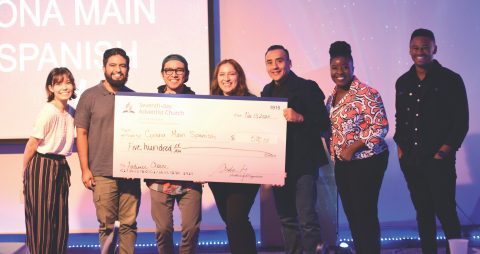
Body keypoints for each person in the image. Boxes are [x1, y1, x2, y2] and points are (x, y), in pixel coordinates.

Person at [394, 28, 469, 254]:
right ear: (409, 50)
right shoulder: (403, 82)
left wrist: (444, 152)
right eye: (416, 48)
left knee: (446, 211)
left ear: (434, 48)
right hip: (412, 160)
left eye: (425, 47)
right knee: (423, 213)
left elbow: (461, 121)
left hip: (439, 160)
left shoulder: (451, 80)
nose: (420, 52)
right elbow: (401, 118)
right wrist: (401, 150)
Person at [261, 45, 330, 254]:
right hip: (278, 165)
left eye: (280, 61)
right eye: (270, 62)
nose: (275, 66)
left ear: (290, 63)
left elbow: (323, 123)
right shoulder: (266, 91)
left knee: (307, 218)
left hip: (303, 164)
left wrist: (300, 117)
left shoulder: (308, 87)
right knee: (287, 218)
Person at [75, 48, 141, 254]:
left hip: (130, 173)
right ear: (104, 68)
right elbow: (82, 134)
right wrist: (85, 169)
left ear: (128, 70)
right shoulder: (89, 96)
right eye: (113, 65)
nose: (118, 70)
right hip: (101, 172)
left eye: (122, 66)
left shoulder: (135, 98)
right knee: (107, 225)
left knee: (129, 224)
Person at [325, 41, 389, 254]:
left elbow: (380, 127)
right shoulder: (332, 96)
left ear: (352, 66)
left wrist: (353, 148)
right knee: (352, 213)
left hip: (368, 161)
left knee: (365, 213)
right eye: (335, 67)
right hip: (344, 164)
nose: (340, 72)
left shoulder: (367, 93)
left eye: (344, 66)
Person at [146, 54, 202, 254]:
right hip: (159, 179)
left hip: (190, 180)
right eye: (169, 70)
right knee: (163, 230)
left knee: (191, 228)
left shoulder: (199, 104)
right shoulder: (149, 105)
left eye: (179, 70)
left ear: (186, 75)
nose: (174, 74)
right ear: (162, 75)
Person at [23, 67, 77, 254]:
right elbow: (32, 144)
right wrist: (25, 176)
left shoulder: (71, 111)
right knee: (42, 219)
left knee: (60, 220)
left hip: (60, 165)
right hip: (42, 165)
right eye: (59, 83)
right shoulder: (48, 111)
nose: (65, 87)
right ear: (50, 88)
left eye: (68, 82)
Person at [209, 59, 260, 254]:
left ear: (239, 77)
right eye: (222, 74)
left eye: (231, 74)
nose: (226, 78)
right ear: (216, 79)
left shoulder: (254, 104)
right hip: (218, 175)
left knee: (236, 219)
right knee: (232, 222)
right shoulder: (209, 105)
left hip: (246, 174)